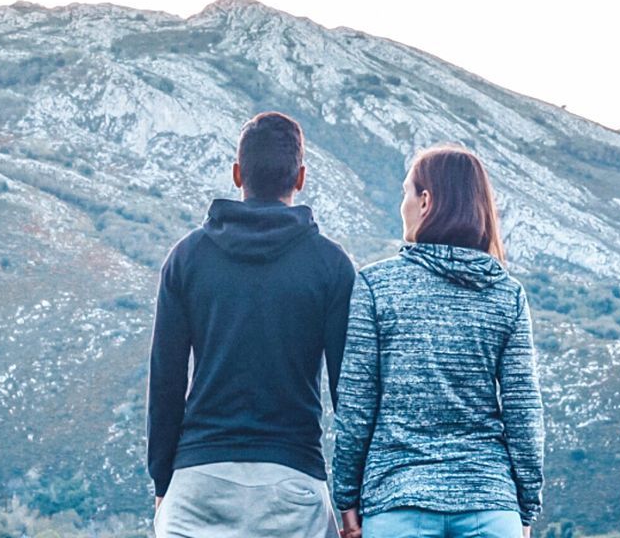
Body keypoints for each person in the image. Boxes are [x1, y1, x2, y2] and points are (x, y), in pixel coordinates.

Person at [146, 111, 356, 538]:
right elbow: (349, 395)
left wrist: (163, 481)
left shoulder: (187, 259)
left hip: (198, 482)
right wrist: (351, 500)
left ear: (237, 174)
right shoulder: (332, 266)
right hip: (293, 484)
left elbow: (165, 380)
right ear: (301, 178)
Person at [332, 144, 545, 538]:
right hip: (490, 505)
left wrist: (346, 503)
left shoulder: (377, 286)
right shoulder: (506, 294)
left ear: (425, 201)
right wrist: (525, 510)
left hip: (398, 503)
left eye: (406, 193)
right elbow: (523, 412)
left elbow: (357, 406)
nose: (403, 205)